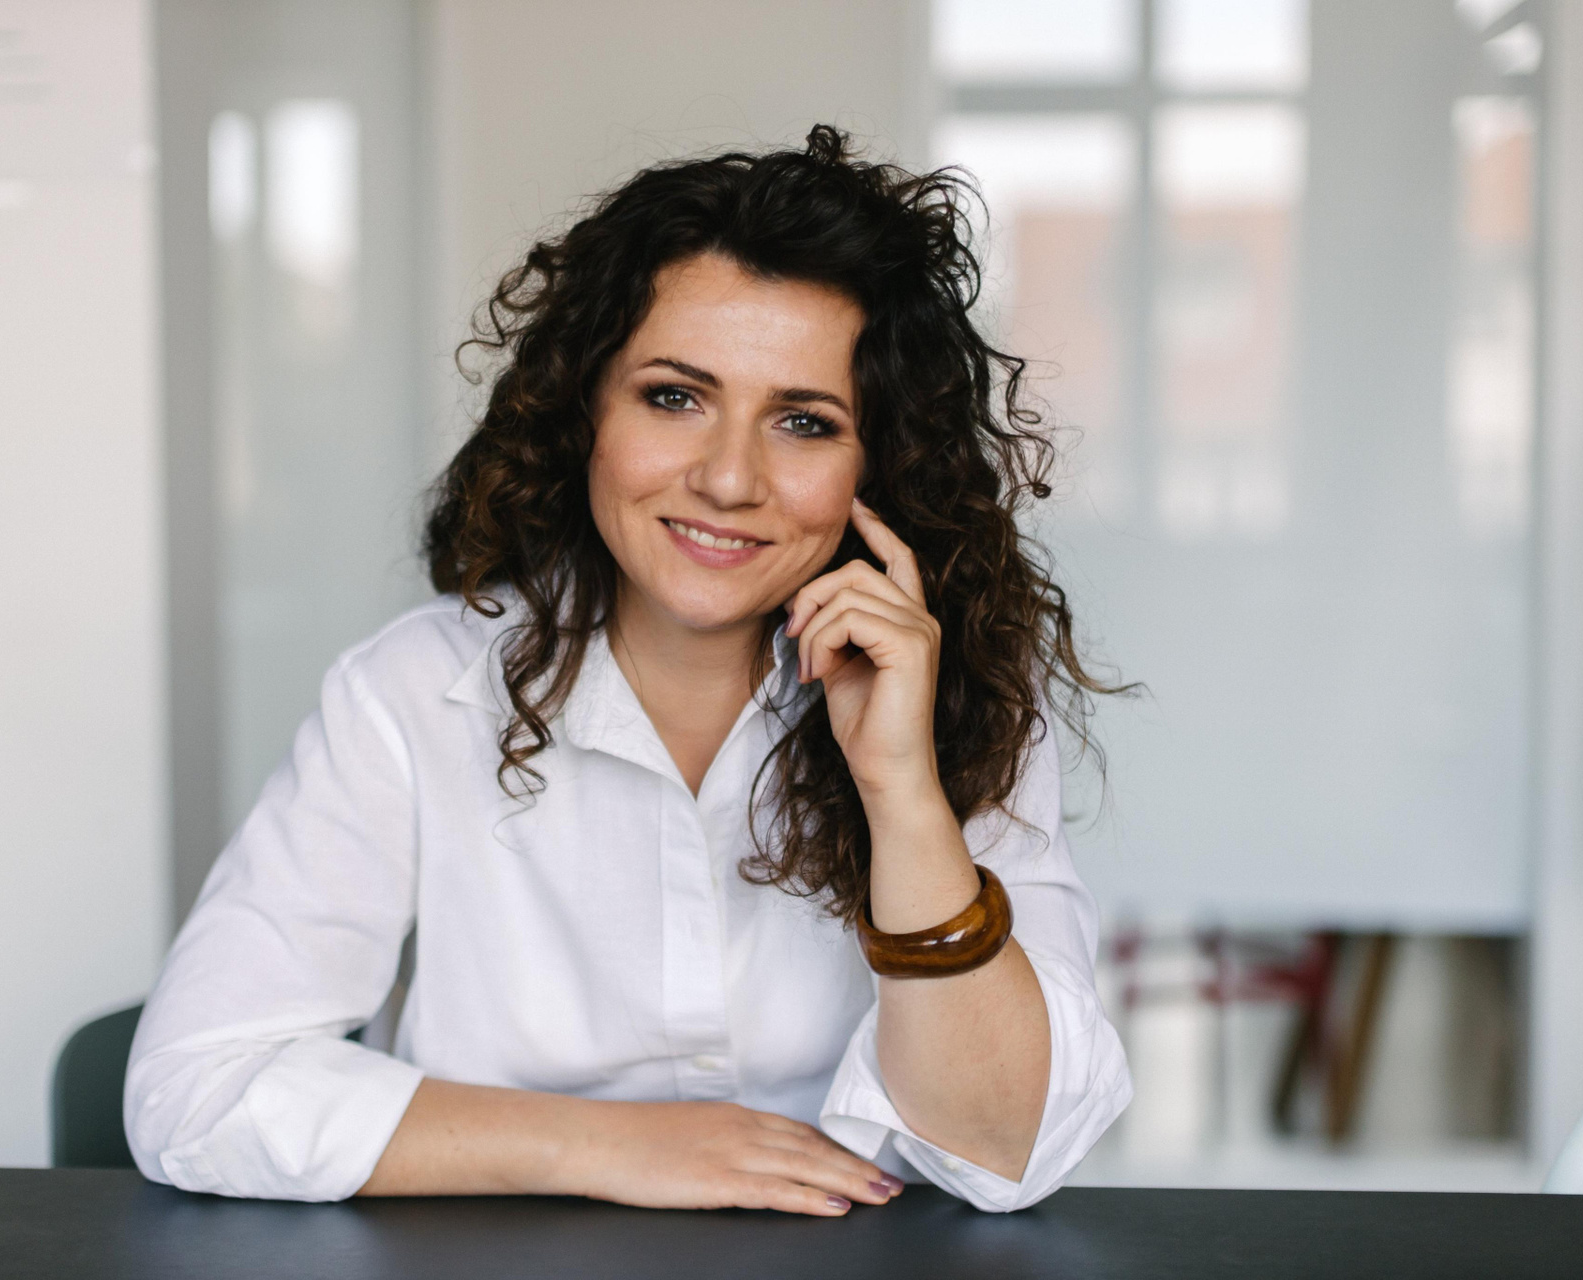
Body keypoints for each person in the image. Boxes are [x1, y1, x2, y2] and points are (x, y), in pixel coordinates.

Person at [126, 125, 1131, 1215]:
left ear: (875, 469)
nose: (730, 478)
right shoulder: (409, 691)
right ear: (585, 411)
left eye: (804, 421)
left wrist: (901, 790)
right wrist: (614, 1146)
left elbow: (1003, 1150)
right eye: (674, 397)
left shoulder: (949, 690)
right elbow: (196, 1090)